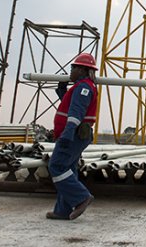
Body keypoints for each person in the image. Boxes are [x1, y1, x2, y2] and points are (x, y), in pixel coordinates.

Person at [46, 52, 99, 220]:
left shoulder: (83, 87)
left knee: (57, 166)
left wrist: (67, 133)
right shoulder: (82, 87)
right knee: (68, 169)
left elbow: (76, 111)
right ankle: (63, 210)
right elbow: (71, 104)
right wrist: (62, 90)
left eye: (74, 67)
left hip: (74, 134)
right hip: (76, 134)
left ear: (82, 70)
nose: (71, 70)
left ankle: (81, 197)